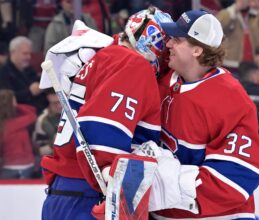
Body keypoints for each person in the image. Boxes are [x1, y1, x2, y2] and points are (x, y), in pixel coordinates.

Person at [40, 7, 172, 219]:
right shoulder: (132, 64)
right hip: (88, 195)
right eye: (167, 44)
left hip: (66, 192)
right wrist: (115, 182)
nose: (170, 51)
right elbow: (102, 132)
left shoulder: (108, 57)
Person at [146, 9, 259, 219]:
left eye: (177, 39)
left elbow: (238, 176)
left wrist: (165, 186)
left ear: (197, 50)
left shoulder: (229, 98)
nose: (168, 44)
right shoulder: (164, 80)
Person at [0, 90, 37, 179]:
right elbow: (32, 114)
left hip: (10, 168)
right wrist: (16, 106)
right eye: (14, 101)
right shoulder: (13, 124)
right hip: (20, 168)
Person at [215, 0, 259, 72]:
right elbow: (217, 27)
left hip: (255, 64)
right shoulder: (228, 13)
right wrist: (235, 8)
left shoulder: (257, 14)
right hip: (232, 63)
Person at [0, 36, 47, 114]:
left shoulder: (28, 69)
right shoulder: (2, 73)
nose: (29, 57)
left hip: (38, 111)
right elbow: (6, 98)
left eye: (30, 54)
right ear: (13, 52)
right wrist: (29, 92)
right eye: (25, 53)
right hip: (17, 114)